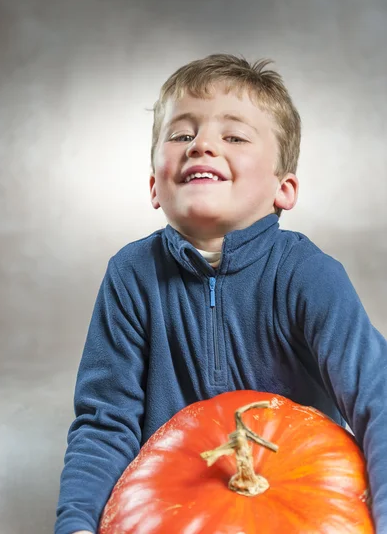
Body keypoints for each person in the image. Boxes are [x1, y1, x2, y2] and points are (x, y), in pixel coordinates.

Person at [55, 54, 387, 534]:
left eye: (233, 137)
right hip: (174, 504)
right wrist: (77, 524)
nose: (202, 145)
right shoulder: (130, 275)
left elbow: (377, 399)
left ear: (284, 189)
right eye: (181, 135)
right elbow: (105, 423)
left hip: (298, 501)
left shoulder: (310, 275)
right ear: (154, 185)